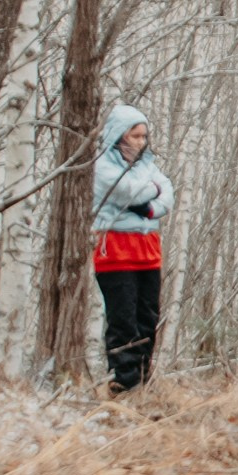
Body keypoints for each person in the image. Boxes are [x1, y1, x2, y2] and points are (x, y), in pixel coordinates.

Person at [91, 105, 173, 392]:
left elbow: (167, 194)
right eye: (134, 135)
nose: (140, 142)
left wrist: (147, 207)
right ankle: (124, 384)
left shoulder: (148, 165)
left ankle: (142, 377)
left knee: (147, 317)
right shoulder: (103, 165)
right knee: (123, 319)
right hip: (115, 250)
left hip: (148, 251)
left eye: (143, 136)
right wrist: (151, 190)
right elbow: (125, 191)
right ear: (119, 136)